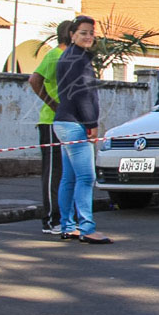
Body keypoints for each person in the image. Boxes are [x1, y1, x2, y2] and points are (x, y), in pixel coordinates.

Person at [53, 15, 112, 244]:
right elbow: (83, 95)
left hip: (63, 122)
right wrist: (91, 124)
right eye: (83, 33)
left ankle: (68, 226)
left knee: (69, 178)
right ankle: (87, 228)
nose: (88, 37)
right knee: (86, 177)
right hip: (76, 124)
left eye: (91, 33)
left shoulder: (67, 56)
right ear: (72, 34)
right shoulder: (78, 59)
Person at [28, 19, 73, 235]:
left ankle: (64, 217)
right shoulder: (54, 56)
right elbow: (34, 80)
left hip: (69, 122)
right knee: (53, 172)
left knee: (66, 171)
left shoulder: (72, 58)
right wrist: (53, 104)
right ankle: (50, 219)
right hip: (51, 122)